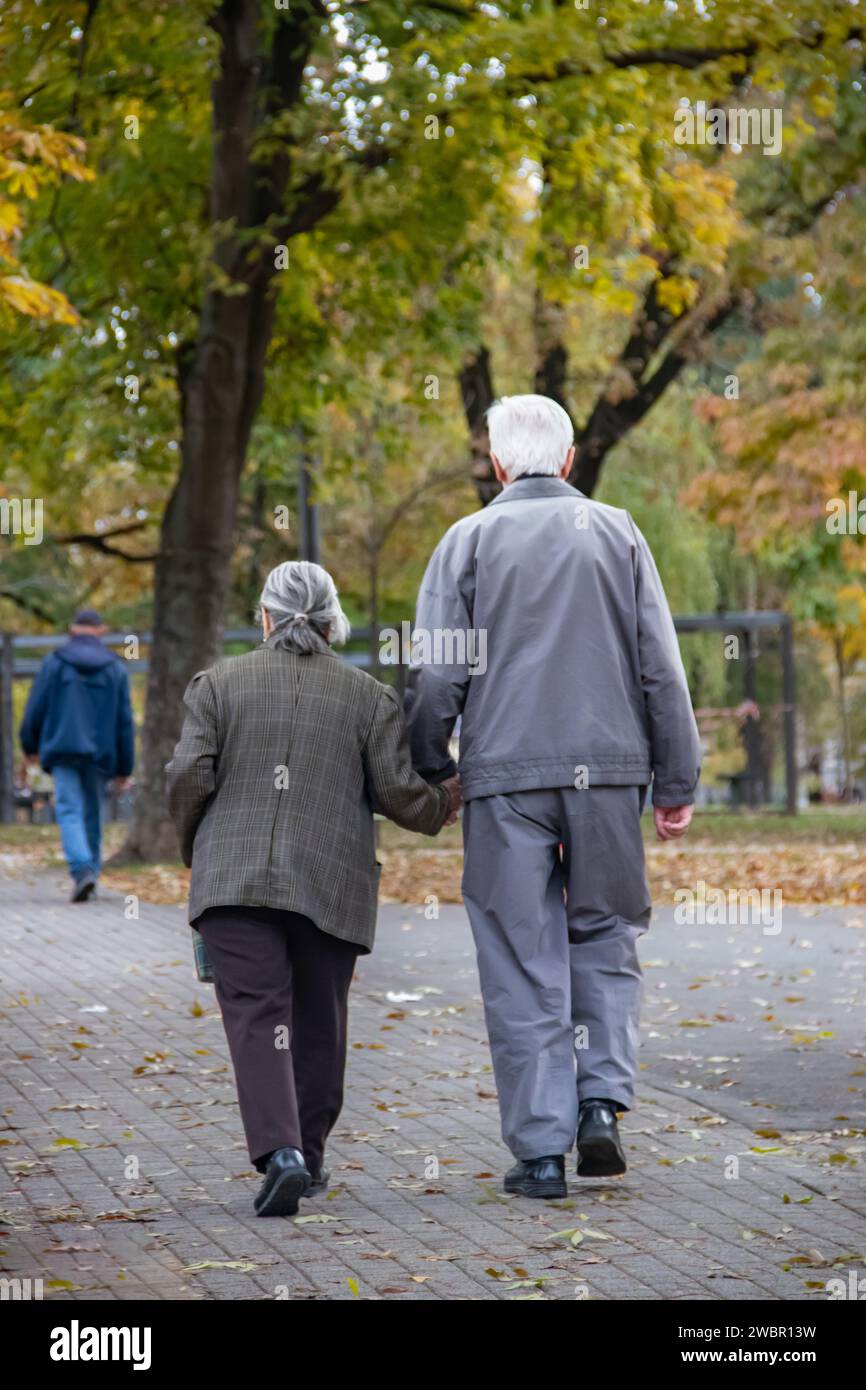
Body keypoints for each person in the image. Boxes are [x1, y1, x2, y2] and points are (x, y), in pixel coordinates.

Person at [406, 394, 701, 1198]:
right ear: (568, 461)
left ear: (498, 464)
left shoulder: (466, 542)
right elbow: (660, 668)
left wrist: (434, 765)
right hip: (608, 773)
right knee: (605, 936)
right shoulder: (619, 533)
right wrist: (675, 779)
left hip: (505, 776)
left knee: (519, 953)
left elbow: (436, 672)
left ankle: (540, 1153)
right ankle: (600, 1102)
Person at [166, 561, 462, 1218]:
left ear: (265, 619)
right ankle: (312, 1154)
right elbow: (399, 796)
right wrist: (451, 795)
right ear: (333, 624)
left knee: (257, 1017)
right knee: (319, 1019)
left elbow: (188, 774)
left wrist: (199, 847)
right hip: (331, 883)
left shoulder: (216, 685)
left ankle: (282, 1156)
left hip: (234, 884)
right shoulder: (369, 697)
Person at [19, 609, 134, 902]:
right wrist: (125, 767)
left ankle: (81, 870)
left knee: (69, 809)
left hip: (62, 750)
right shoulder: (115, 668)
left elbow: (36, 707)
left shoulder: (54, 663)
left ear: (72, 629)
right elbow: (124, 722)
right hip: (99, 754)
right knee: (93, 813)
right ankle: (92, 874)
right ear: (101, 630)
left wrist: (29, 746)